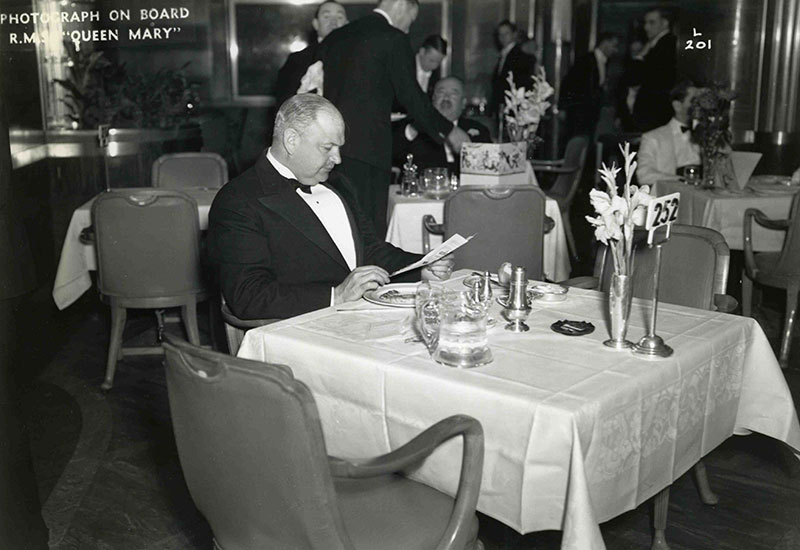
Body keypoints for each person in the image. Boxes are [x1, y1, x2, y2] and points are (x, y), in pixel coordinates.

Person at [208, 94, 453, 321]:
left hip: (362, 318)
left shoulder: (339, 183)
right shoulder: (238, 201)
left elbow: (370, 251)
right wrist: (336, 296)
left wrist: (423, 267)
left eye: (339, 147)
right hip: (300, 329)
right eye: (327, 148)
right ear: (291, 141)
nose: (338, 159)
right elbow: (248, 296)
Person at [317, 0, 469, 235]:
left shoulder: (338, 36)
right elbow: (411, 97)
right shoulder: (394, 38)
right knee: (368, 228)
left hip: (331, 148)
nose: (408, 27)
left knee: (339, 226)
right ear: (402, 7)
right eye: (411, 19)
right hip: (369, 151)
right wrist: (450, 130)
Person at [396, 76, 491, 174]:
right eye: (441, 92)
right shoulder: (415, 128)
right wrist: (415, 128)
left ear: (463, 103)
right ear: (432, 99)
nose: (446, 97)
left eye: (454, 93)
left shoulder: (479, 130)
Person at [274, 1, 347, 106]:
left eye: (339, 17)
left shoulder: (357, 58)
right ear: (316, 24)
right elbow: (285, 105)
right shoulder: (297, 59)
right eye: (326, 16)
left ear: (347, 24)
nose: (333, 21)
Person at [636, 80, 700, 185]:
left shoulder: (707, 135)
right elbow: (644, 175)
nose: (699, 106)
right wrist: (682, 181)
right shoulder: (653, 138)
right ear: (677, 106)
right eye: (694, 101)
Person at [559, 32, 619, 140]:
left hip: (591, 113)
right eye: (613, 46)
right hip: (579, 112)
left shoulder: (605, 62)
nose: (615, 50)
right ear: (605, 42)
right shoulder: (585, 60)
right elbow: (568, 83)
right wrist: (563, 107)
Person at [633, 8, 677, 131]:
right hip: (655, 112)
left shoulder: (666, 45)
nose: (646, 27)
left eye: (652, 22)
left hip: (655, 111)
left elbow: (637, 76)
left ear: (665, 23)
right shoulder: (656, 44)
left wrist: (639, 57)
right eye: (645, 23)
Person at [490, 20, 534, 116]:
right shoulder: (504, 55)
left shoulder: (519, 56)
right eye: (500, 34)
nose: (503, 37)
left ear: (514, 34)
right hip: (504, 107)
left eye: (506, 33)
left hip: (512, 108)